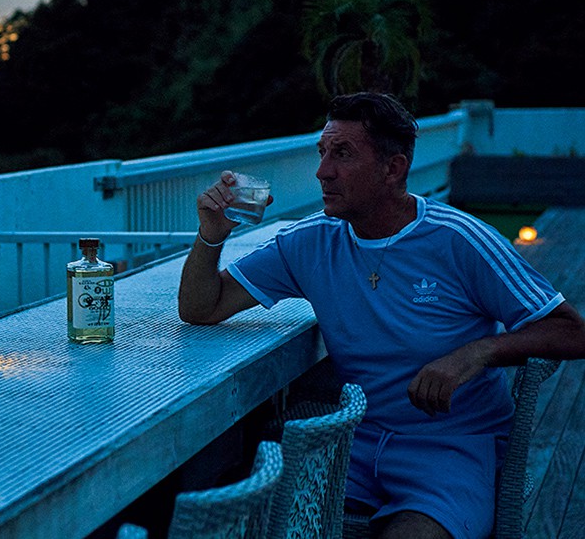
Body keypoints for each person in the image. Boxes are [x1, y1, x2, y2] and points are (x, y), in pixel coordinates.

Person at [178, 92, 585, 539]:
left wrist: (478, 351)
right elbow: (202, 307)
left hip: (450, 448)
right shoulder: (310, 241)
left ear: (393, 169)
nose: (322, 172)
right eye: (323, 152)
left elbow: (571, 331)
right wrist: (211, 236)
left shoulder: (459, 239)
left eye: (343, 154)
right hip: (355, 443)